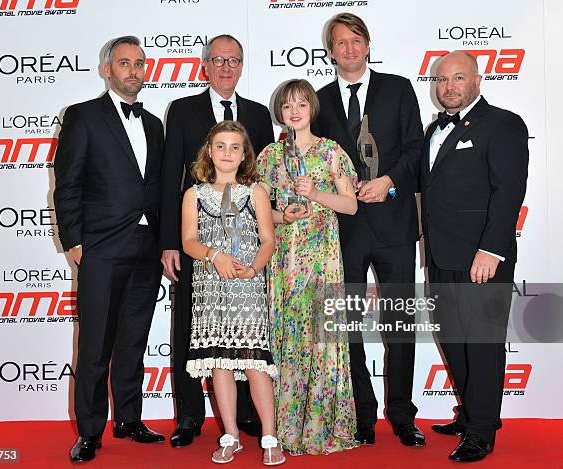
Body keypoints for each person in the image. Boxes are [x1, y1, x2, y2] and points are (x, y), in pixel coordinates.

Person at [312, 12, 425, 446]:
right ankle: (362, 413)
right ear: (331, 51)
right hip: (344, 229)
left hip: (395, 223)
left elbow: (415, 148)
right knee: (349, 326)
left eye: (356, 40)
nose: (349, 49)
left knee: (400, 323)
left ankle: (401, 413)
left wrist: (389, 182)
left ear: (368, 44)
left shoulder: (397, 88)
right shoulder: (318, 102)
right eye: (340, 42)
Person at [53, 36, 165, 463]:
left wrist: (165, 243)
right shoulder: (83, 117)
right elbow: (68, 185)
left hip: (146, 247)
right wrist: (75, 241)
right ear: (107, 69)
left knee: (134, 340)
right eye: (124, 63)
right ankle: (89, 431)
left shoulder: (154, 123)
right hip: (100, 246)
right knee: (96, 344)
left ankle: (130, 419)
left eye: (139, 63)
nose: (133, 70)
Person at [160, 34, 274, 447]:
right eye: (218, 60)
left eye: (234, 60)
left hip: (248, 246)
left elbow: (264, 181)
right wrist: (170, 242)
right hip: (200, 240)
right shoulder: (183, 109)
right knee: (192, 326)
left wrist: (272, 230)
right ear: (205, 64)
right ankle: (189, 416)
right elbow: (172, 173)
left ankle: (245, 417)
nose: (226, 67)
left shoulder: (260, 115)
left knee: (245, 334)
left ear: (242, 66)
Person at [420, 51, 528, 462]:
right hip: (442, 254)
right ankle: (469, 414)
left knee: (482, 344)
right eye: (442, 79)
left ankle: (482, 431)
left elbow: (509, 192)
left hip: (482, 257)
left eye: (458, 78)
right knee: (454, 339)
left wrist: (492, 250)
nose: (449, 86)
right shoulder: (434, 130)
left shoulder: (503, 124)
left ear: (477, 80)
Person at [257, 79, 358, 455]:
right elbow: (258, 211)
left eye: (301, 104)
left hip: (321, 261)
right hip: (283, 261)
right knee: (287, 338)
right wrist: (283, 215)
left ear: (312, 108)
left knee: (321, 340)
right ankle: (280, 429)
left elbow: (351, 206)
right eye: (287, 106)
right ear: (279, 112)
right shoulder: (268, 156)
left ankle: (322, 427)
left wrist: (316, 194)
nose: (294, 111)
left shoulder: (331, 152)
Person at [181, 120, 284, 466]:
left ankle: (270, 436)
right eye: (220, 146)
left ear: (244, 155)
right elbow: (189, 242)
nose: (227, 153)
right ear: (209, 151)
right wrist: (215, 256)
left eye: (234, 147)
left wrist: (253, 268)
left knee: (256, 365)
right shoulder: (193, 195)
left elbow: (269, 240)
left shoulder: (256, 192)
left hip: (248, 287)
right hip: (210, 287)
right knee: (219, 365)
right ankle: (230, 435)